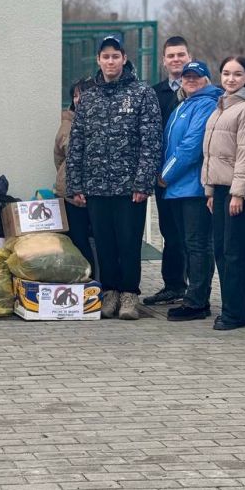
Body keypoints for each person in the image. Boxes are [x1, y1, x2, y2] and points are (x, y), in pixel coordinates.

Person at [65, 34, 162, 320]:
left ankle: (130, 294)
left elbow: (151, 140)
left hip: (129, 187)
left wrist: (143, 182)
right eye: (105, 56)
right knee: (105, 243)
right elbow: (77, 142)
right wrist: (76, 184)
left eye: (115, 56)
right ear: (98, 60)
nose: (110, 61)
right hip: (95, 186)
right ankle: (109, 293)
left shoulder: (142, 93)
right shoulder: (89, 96)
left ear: (124, 59)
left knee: (129, 242)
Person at [201, 56, 245, 330]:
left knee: (234, 252)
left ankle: (233, 313)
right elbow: (211, 154)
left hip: (237, 191)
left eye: (237, 74)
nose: (231, 79)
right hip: (220, 189)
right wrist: (210, 189)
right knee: (223, 251)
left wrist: (238, 194)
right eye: (226, 73)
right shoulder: (220, 106)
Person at [161, 61, 221, 322]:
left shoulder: (206, 104)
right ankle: (192, 296)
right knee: (188, 244)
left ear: (207, 79)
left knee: (198, 245)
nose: (191, 80)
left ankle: (198, 301)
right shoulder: (184, 104)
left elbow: (190, 147)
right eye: (187, 77)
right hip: (178, 188)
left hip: (193, 188)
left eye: (197, 77)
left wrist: (164, 175)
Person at [144, 36, 191, 306]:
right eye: (171, 55)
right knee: (169, 233)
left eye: (181, 55)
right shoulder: (154, 92)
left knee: (193, 236)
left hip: (191, 178)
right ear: (164, 61)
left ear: (189, 56)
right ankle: (173, 285)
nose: (176, 59)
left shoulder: (203, 92)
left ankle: (196, 288)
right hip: (163, 178)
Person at [54, 78, 95, 276]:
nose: (79, 99)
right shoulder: (66, 124)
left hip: (95, 193)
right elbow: (59, 157)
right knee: (77, 239)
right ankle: (84, 280)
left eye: (83, 94)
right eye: (76, 95)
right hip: (70, 193)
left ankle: (100, 282)